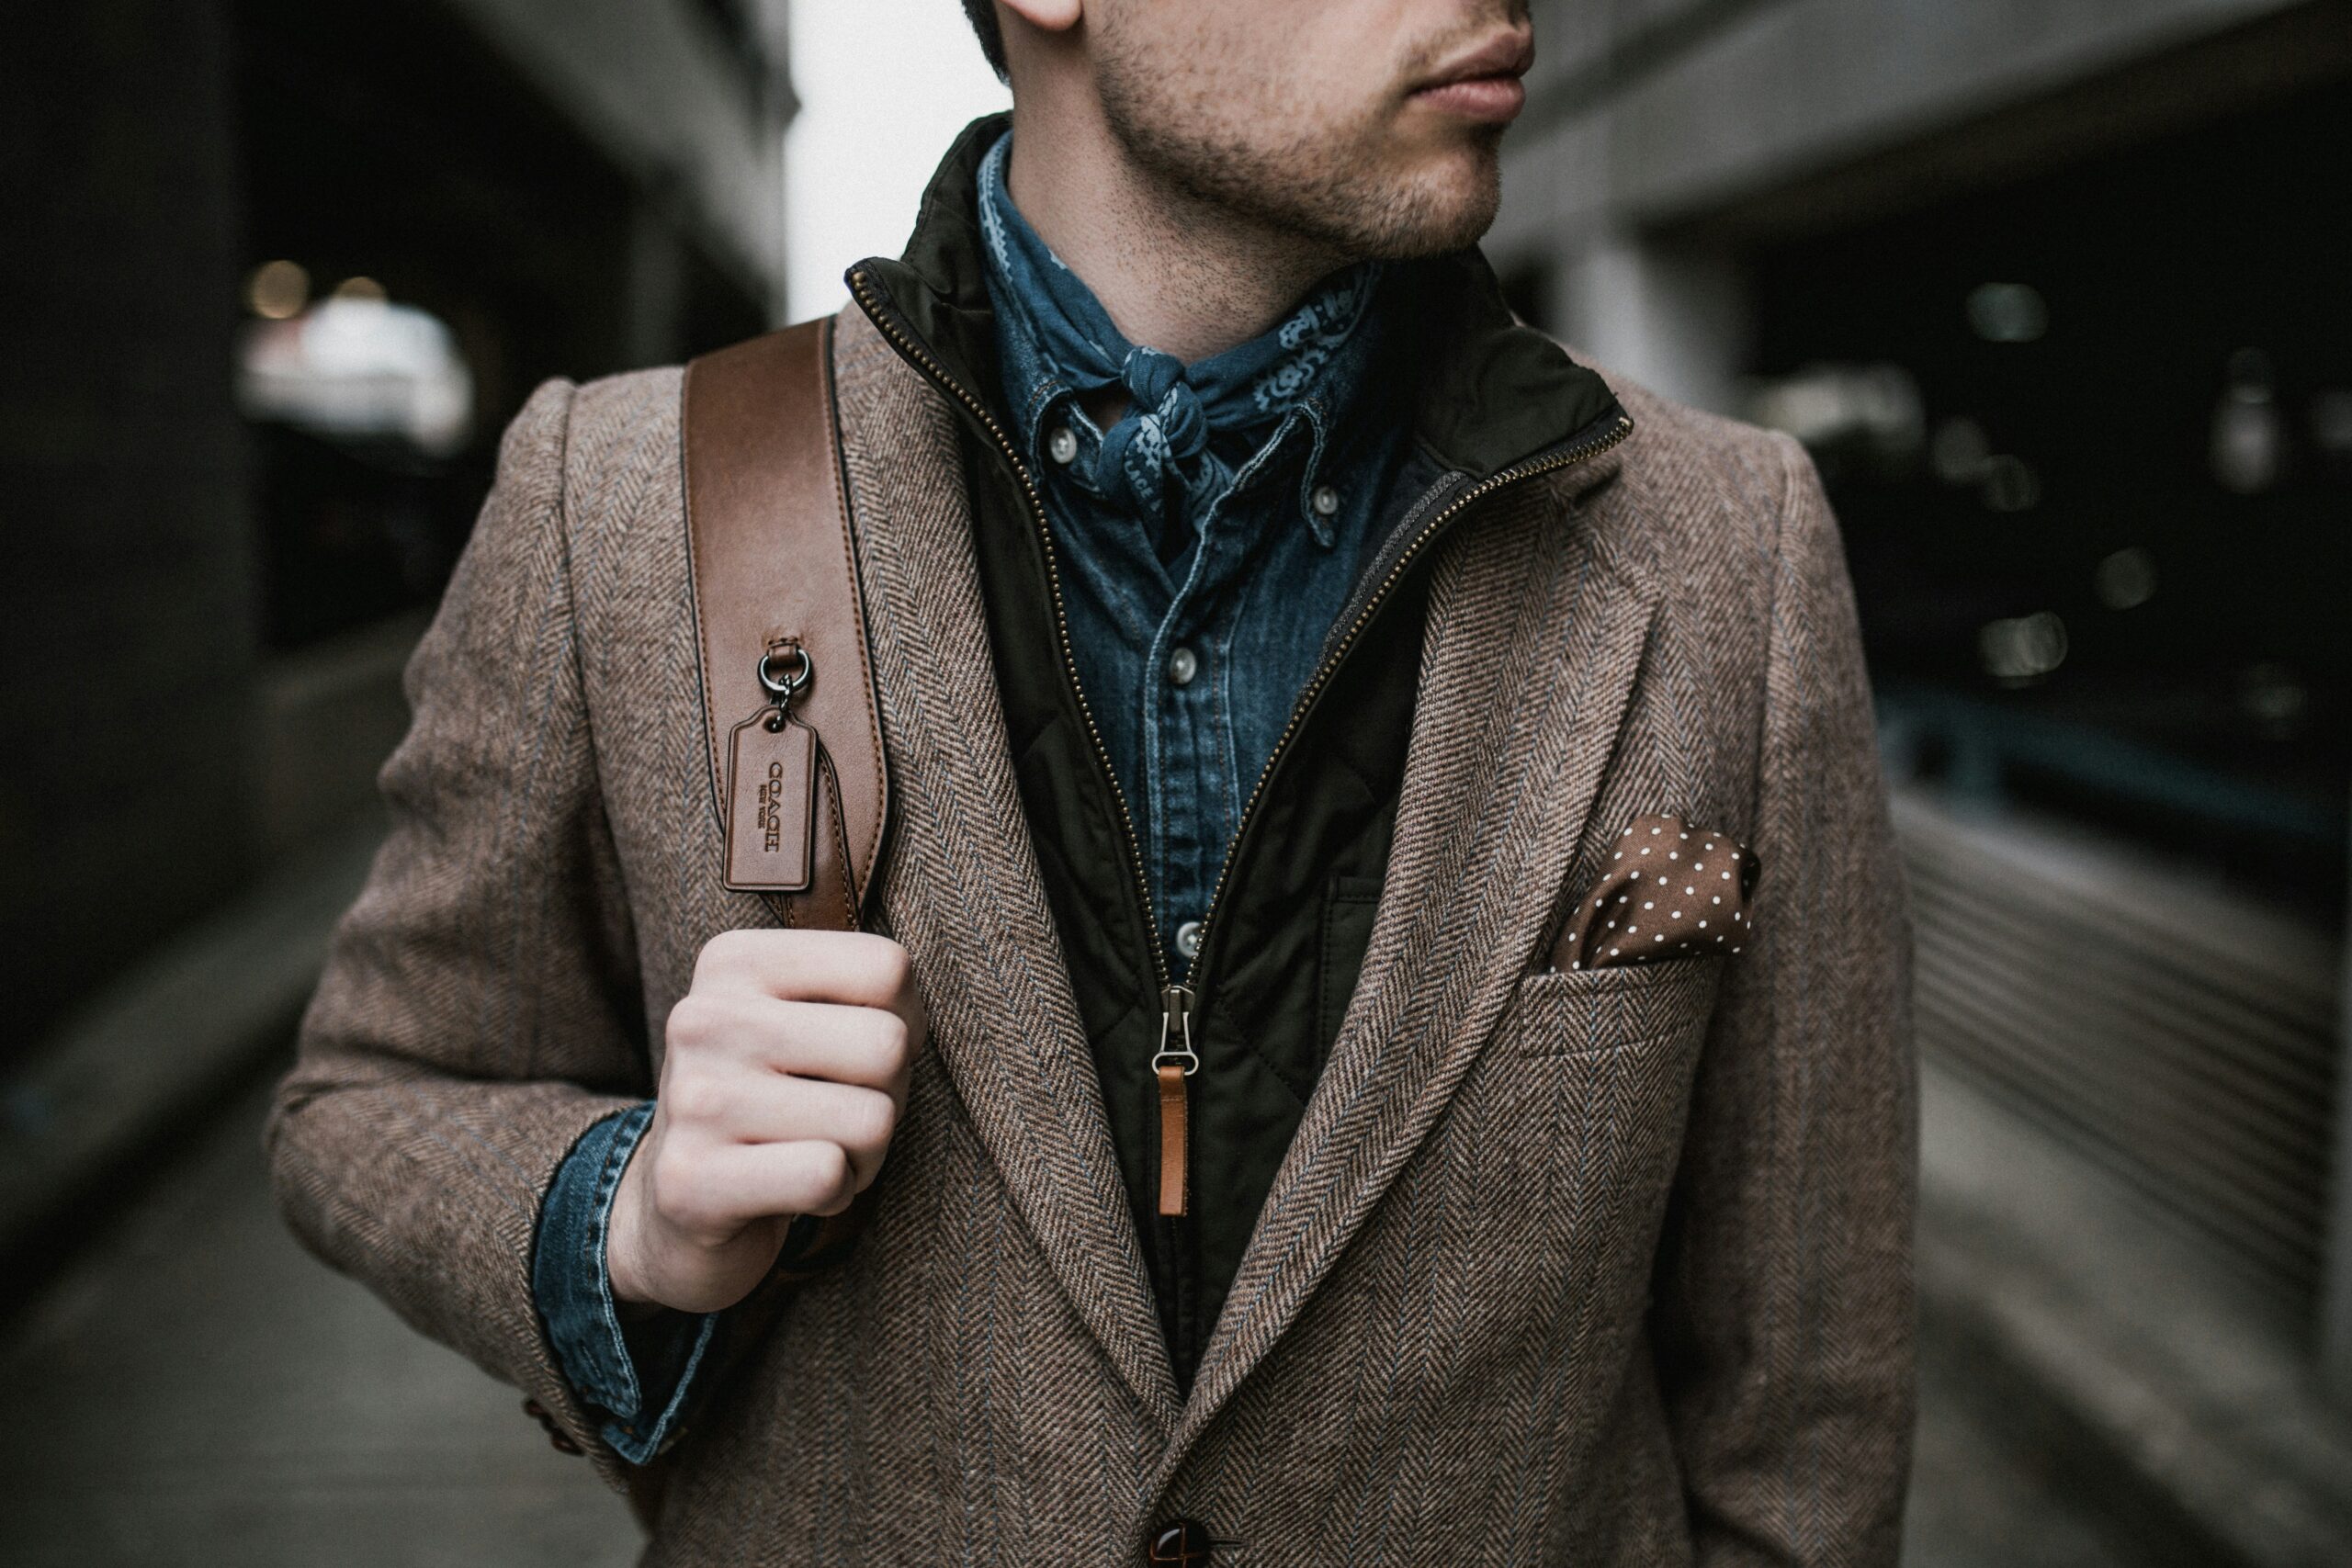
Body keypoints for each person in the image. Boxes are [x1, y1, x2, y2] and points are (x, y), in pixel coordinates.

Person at [269, 0, 1917, 1561]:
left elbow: (1808, 1396)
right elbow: (370, 1095)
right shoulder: (614, 498)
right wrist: (625, 1220)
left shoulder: (1730, 542)